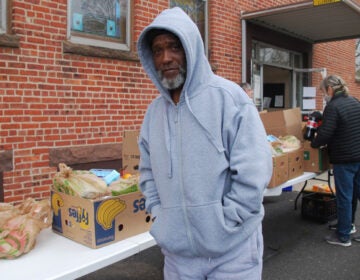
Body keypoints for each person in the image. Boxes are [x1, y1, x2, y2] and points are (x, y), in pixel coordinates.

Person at [136, 7, 273, 279]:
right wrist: (160, 214)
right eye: (158, 50)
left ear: (191, 48)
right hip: (178, 258)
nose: (166, 57)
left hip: (232, 252)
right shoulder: (153, 114)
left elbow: (254, 170)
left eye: (174, 46)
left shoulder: (229, 99)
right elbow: (147, 172)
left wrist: (228, 221)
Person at [311, 74, 360, 247]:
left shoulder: (333, 106)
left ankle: (343, 236)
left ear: (330, 89)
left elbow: (325, 133)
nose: (323, 95)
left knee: (344, 198)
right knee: (353, 195)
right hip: (357, 156)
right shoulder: (354, 101)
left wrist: (313, 143)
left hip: (345, 159)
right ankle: (348, 226)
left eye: (323, 91)